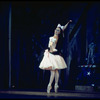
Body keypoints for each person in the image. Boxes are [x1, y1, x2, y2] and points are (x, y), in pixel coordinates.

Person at [39, 20, 72, 93]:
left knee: (55, 71)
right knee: (54, 71)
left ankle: (50, 85)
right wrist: (50, 48)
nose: (56, 31)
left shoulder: (58, 38)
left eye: (58, 30)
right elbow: (50, 46)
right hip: (52, 54)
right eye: (56, 30)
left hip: (55, 55)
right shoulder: (52, 37)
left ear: (60, 32)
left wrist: (68, 23)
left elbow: (63, 29)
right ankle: (54, 85)